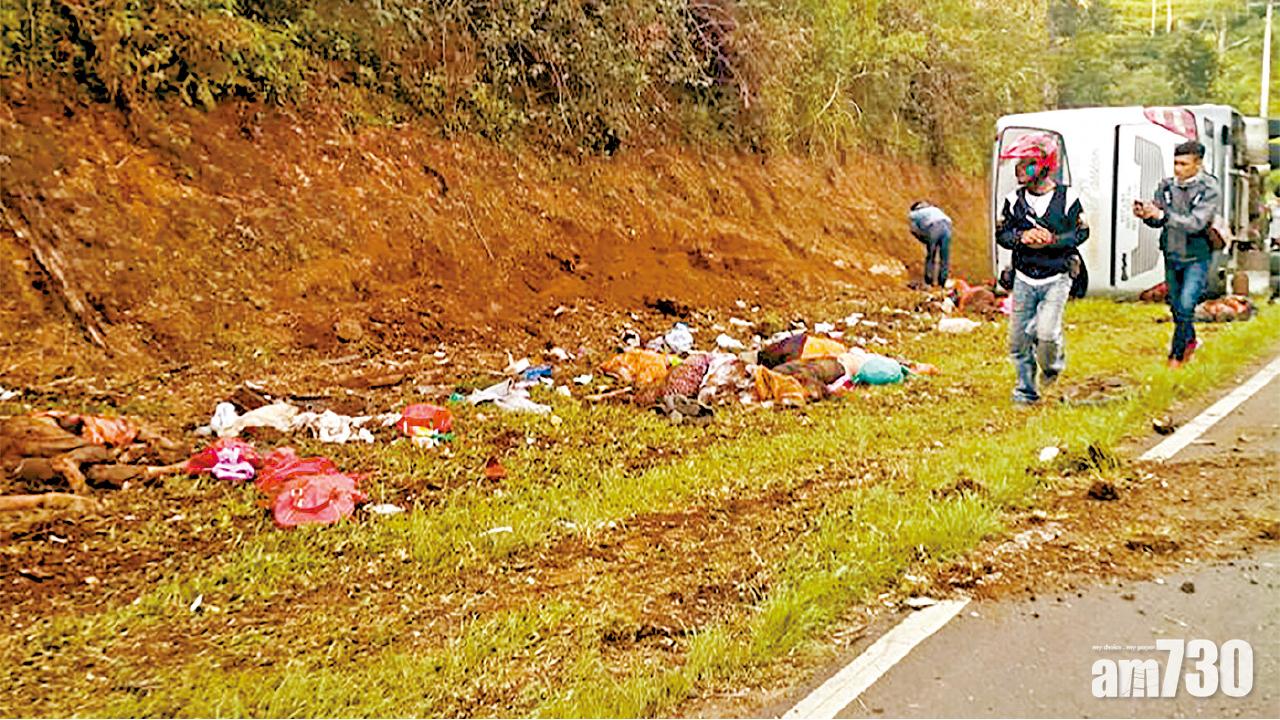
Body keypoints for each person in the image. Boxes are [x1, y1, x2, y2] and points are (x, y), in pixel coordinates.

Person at [995, 133, 1090, 405]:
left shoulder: (1068, 198)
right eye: (1018, 163)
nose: (1019, 169)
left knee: (1046, 332)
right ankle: (1025, 391)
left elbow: (1081, 233)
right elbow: (1002, 234)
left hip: (1057, 275)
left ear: (1045, 165)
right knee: (1018, 339)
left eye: (1027, 163)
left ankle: (1052, 365)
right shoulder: (1014, 200)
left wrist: (1053, 240)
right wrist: (1020, 238)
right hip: (1024, 276)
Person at [1133, 140, 1220, 368]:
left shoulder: (1209, 188)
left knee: (1186, 304)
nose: (1178, 169)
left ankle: (1176, 355)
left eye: (1184, 164)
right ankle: (1189, 340)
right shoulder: (1166, 186)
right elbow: (1159, 221)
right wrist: (1148, 214)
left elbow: (1196, 223)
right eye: (1175, 163)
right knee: (1175, 305)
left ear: (1197, 164)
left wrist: (1164, 215)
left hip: (1196, 255)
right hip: (1171, 253)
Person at [907, 200, 952, 287]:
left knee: (931, 255)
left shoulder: (914, 214)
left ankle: (929, 280)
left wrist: (924, 239)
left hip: (934, 228)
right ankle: (942, 282)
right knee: (945, 257)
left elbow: (913, 230)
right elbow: (949, 221)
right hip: (947, 227)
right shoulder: (935, 209)